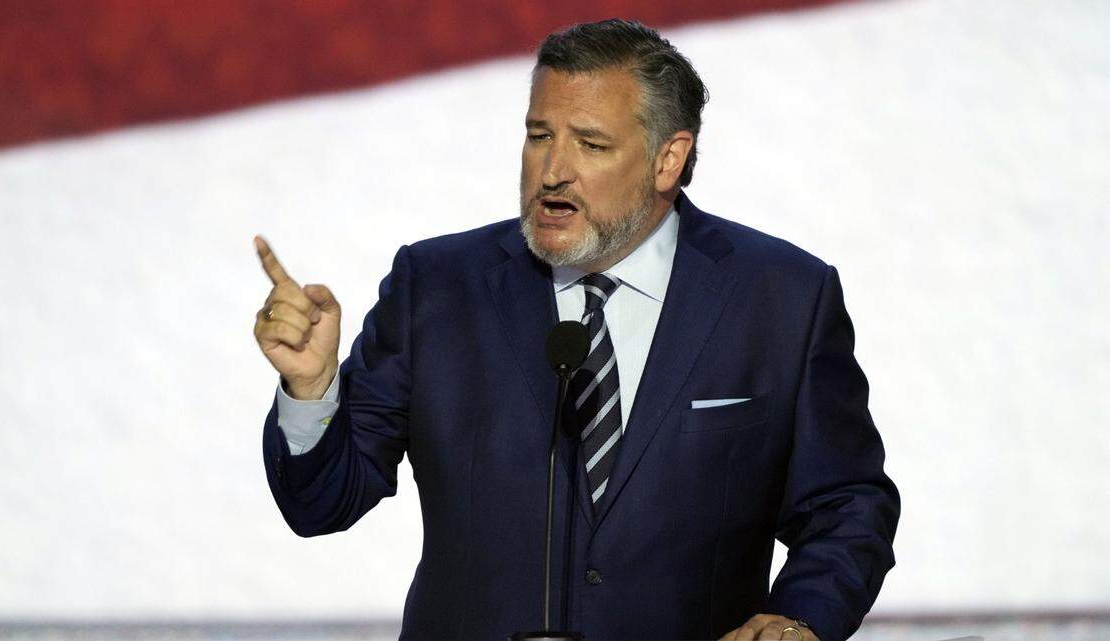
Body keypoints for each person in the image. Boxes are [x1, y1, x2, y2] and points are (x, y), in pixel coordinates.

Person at [253, 19, 899, 641]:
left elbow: (847, 504)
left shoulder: (780, 297)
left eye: (590, 143)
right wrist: (311, 388)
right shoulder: (438, 287)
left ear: (667, 159)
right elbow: (322, 504)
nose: (553, 170)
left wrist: (801, 618)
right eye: (539, 135)